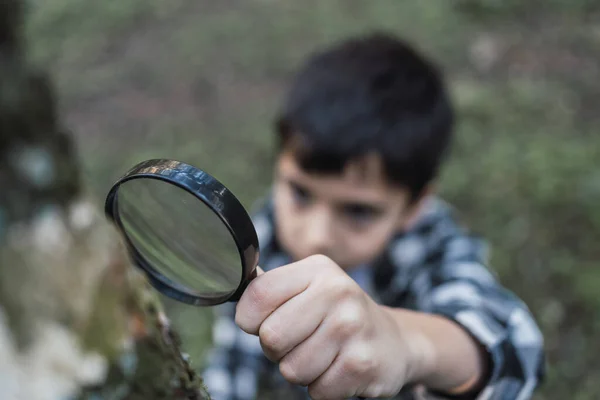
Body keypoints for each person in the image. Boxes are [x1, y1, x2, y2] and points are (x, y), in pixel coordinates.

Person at [202, 32, 545, 400]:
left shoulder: (431, 246)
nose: (316, 235)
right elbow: (235, 359)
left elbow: (516, 346)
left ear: (415, 206)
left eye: (359, 211)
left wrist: (405, 341)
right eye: (301, 192)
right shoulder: (264, 233)